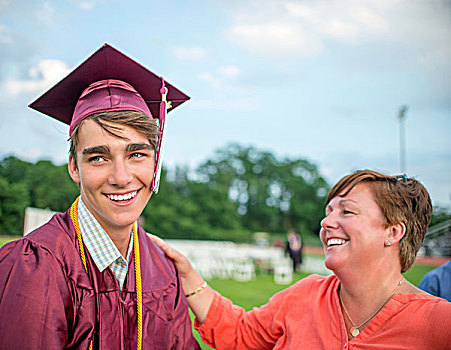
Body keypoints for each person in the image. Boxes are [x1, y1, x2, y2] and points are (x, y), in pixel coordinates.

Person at [0, 44, 199, 349]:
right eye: (98, 158)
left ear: (155, 162)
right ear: (74, 167)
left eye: (136, 154)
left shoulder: (163, 269)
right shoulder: (35, 266)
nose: (120, 178)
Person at [151, 170, 451, 349]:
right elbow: (241, 335)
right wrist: (187, 273)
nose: (326, 222)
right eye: (328, 211)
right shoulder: (305, 295)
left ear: (393, 231)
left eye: (346, 211)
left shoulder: (439, 324)